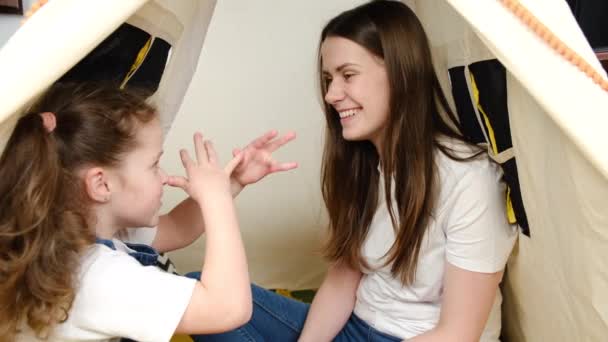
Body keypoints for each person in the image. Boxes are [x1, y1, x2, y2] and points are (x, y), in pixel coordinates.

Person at [197, 1, 518, 341]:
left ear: (400, 73)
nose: (332, 95)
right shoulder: (363, 165)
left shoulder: (470, 181)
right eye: (328, 79)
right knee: (196, 295)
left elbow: (458, 333)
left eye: (347, 75)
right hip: (355, 326)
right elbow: (342, 281)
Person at [0, 82, 297, 341]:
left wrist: (232, 181)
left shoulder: (82, 228)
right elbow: (228, 309)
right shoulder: (96, 278)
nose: (165, 176)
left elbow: (178, 228)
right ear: (101, 184)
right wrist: (216, 199)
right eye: (154, 165)